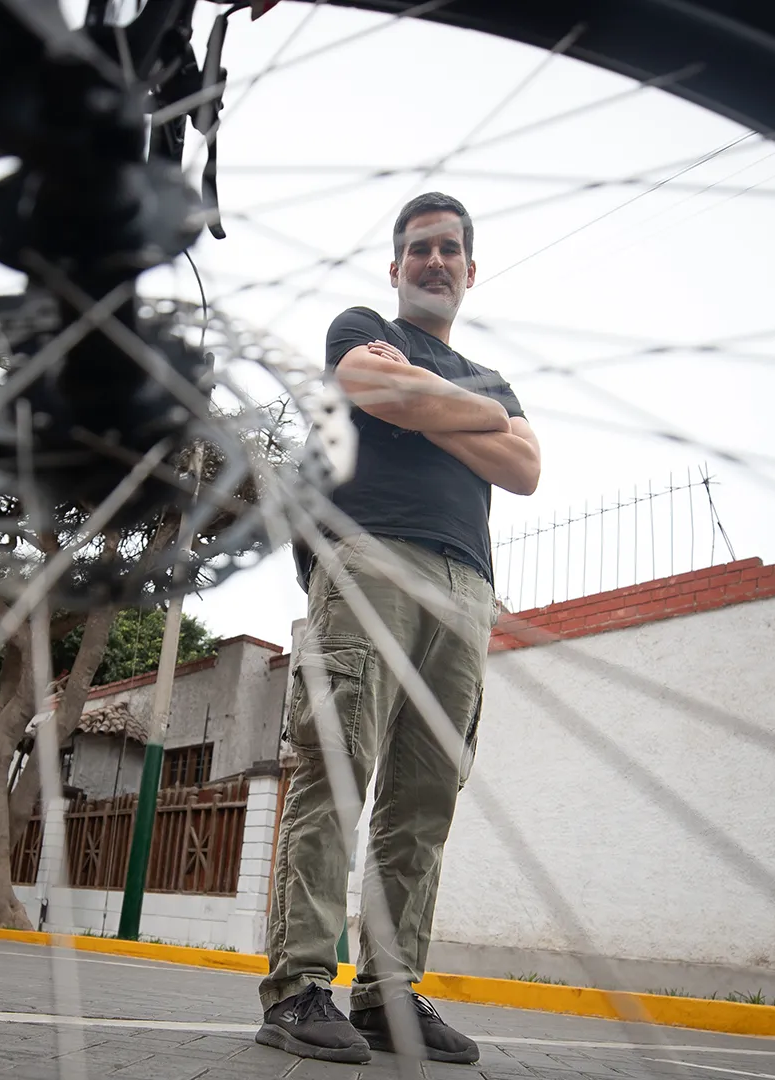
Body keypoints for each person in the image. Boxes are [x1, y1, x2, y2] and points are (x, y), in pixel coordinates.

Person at [257, 192, 541, 1065]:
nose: (434, 261)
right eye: (419, 248)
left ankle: (388, 994)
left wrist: (437, 403)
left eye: (450, 249)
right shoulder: (361, 324)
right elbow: (366, 390)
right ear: (395, 266)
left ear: (469, 267)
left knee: (423, 800)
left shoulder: (497, 380)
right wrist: (474, 417)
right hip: (368, 559)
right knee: (338, 769)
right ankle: (300, 987)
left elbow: (524, 466)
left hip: (468, 587)